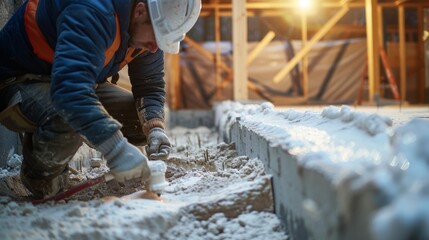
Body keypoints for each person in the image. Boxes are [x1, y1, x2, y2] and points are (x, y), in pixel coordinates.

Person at [0, 0, 201, 199]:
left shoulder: (146, 30)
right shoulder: (92, 10)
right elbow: (70, 91)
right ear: (140, 11)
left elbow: (150, 86)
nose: (155, 48)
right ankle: (40, 180)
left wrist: (155, 129)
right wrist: (115, 148)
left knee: (140, 123)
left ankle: (56, 135)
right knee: (67, 118)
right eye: (156, 38)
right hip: (22, 79)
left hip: (72, 80)